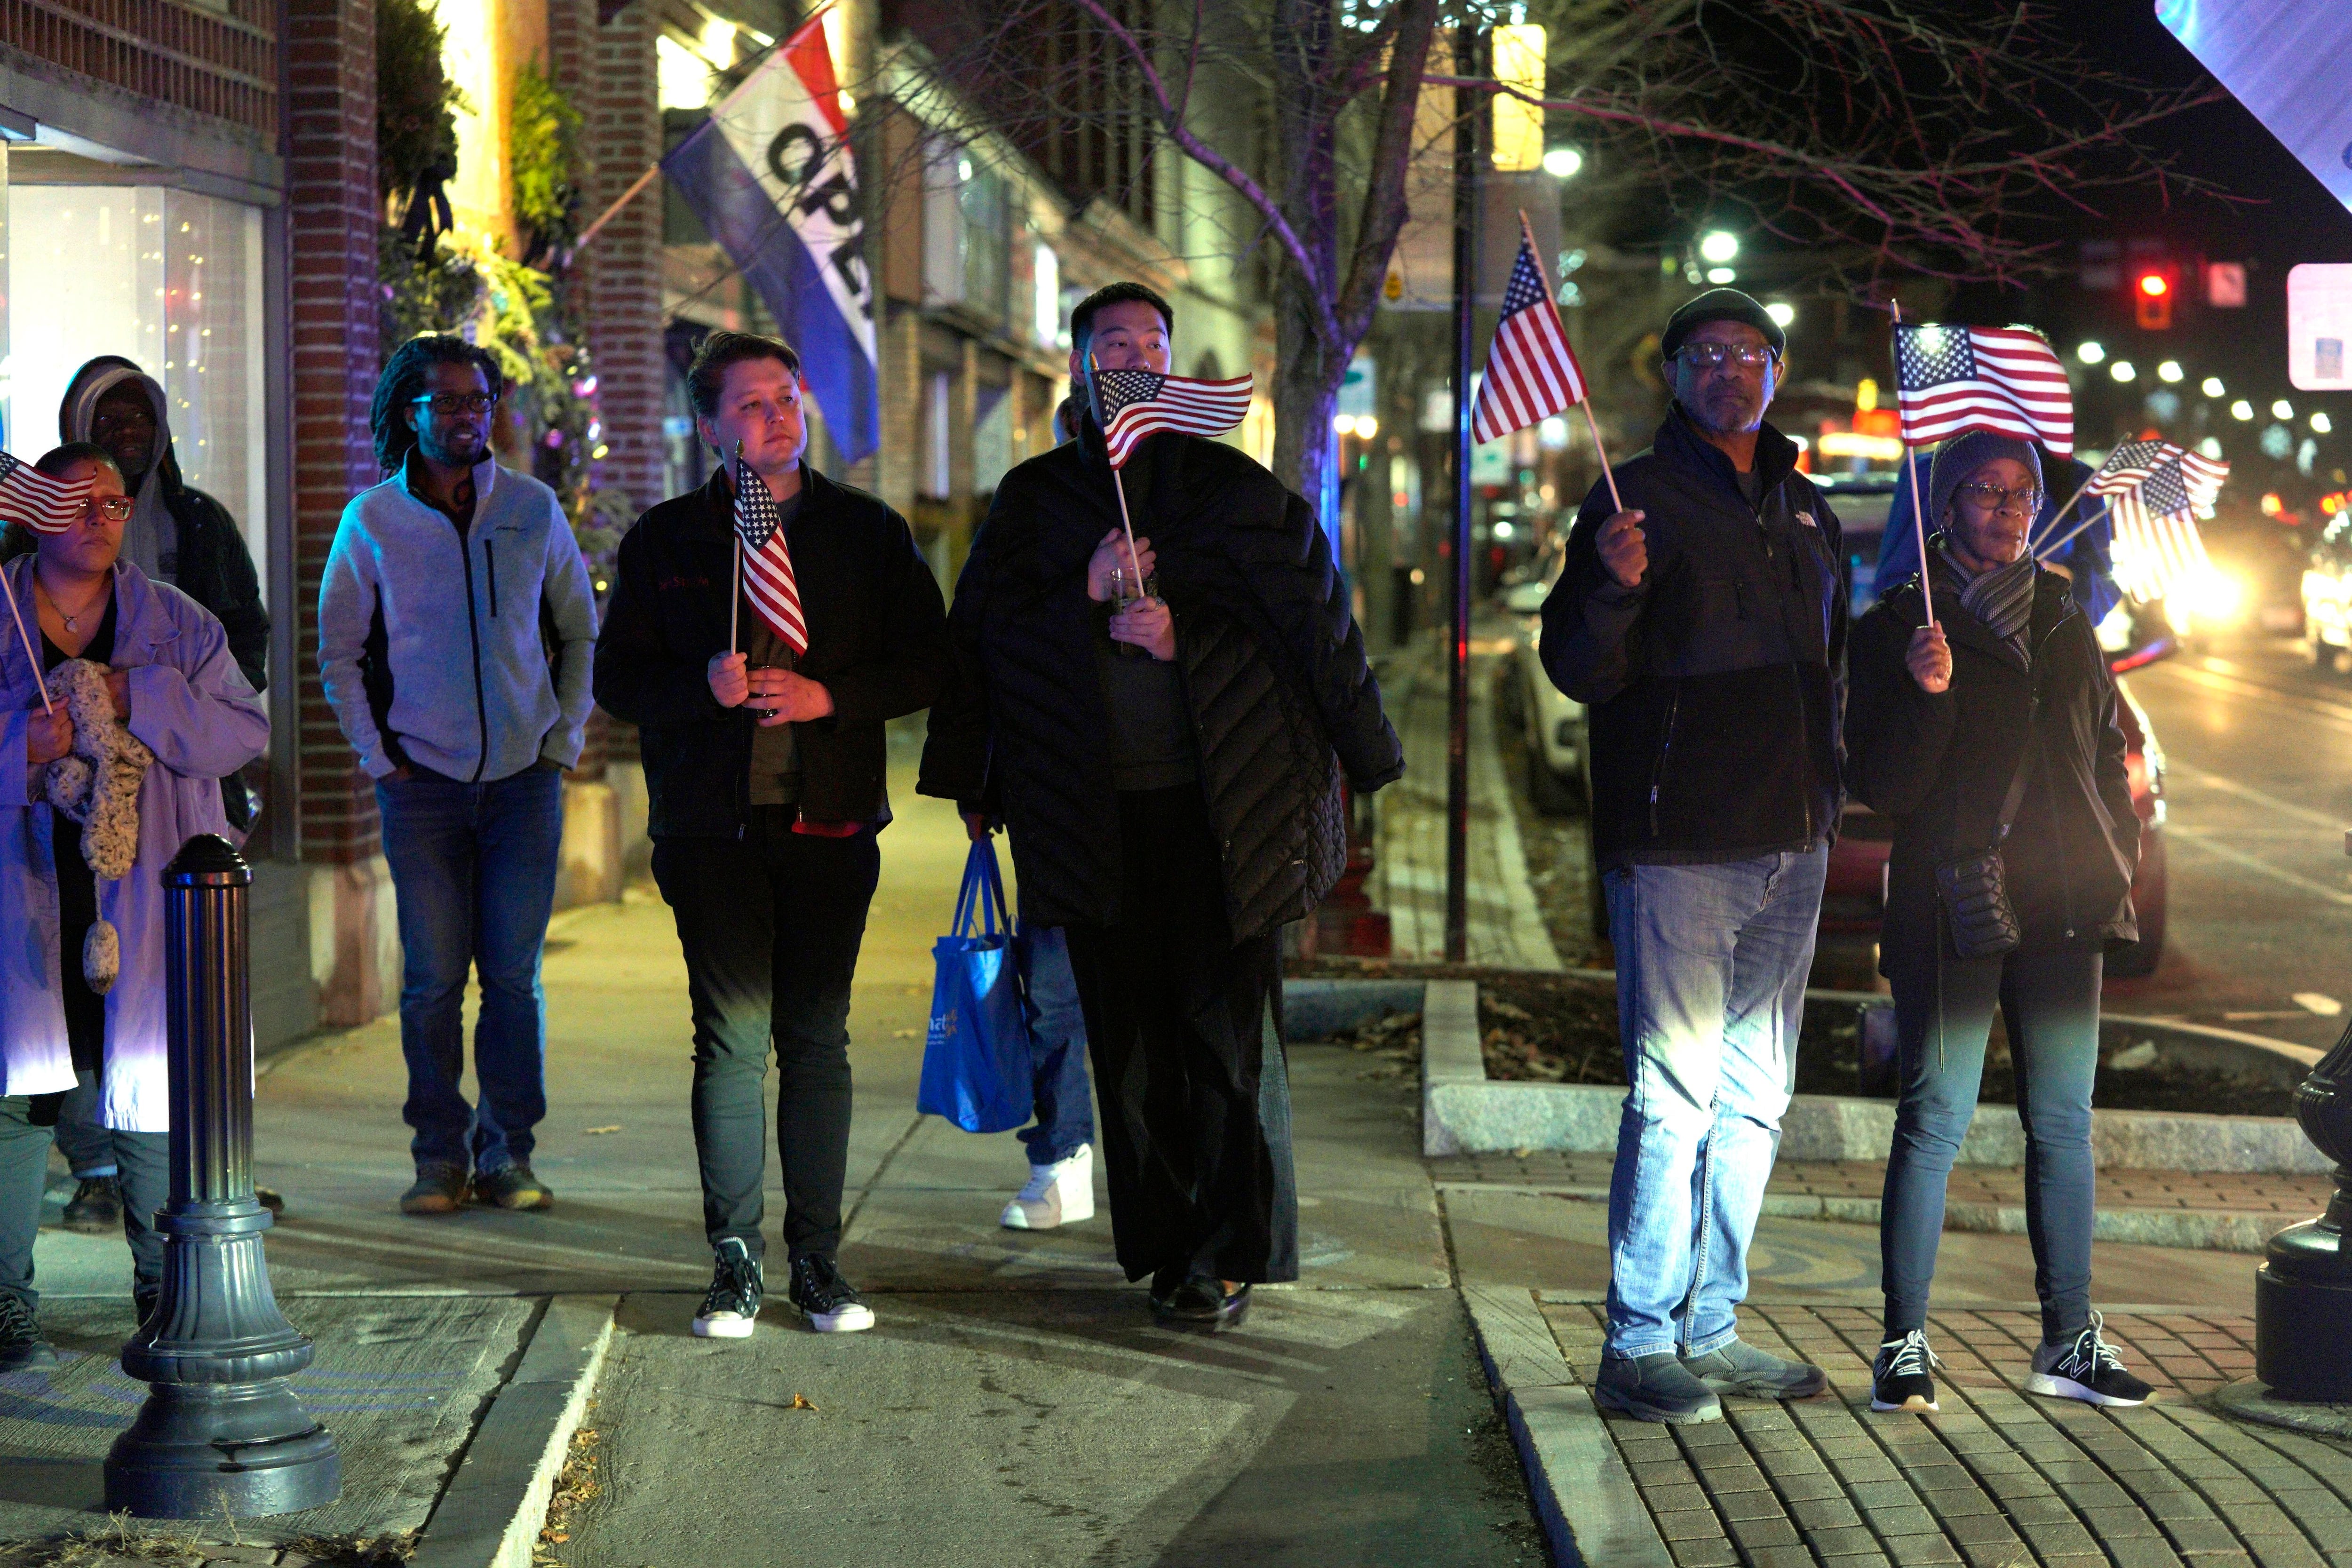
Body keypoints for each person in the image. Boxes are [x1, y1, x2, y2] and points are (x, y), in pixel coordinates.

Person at [920, 282, 1402, 1330]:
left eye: (1150, 341)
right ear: (1081, 364)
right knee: (1128, 1047)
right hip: (1089, 818)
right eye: (1110, 342)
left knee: (1221, 1041)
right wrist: (1083, 596)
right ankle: (1165, 1243)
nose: (1130, 356)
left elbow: (1313, 640)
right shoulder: (1037, 501)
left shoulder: (1239, 495)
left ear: (1174, 363)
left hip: (1227, 819)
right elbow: (980, 646)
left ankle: (1229, 1250)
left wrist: (1191, 640)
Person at [594, 330, 948, 1337]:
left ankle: (820, 1258)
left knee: (814, 1032)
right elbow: (617, 679)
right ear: (709, 426)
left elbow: (928, 662)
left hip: (830, 817)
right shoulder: (668, 539)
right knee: (732, 1038)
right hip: (709, 824)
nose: (776, 417)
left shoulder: (864, 530)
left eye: (787, 397)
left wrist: (830, 693)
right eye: (750, 404)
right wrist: (699, 685)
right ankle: (735, 1256)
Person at [1539, 288, 1845, 1423]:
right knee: (1671, 1098)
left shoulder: (1804, 510)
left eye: (1747, 351)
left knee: (1755, 1100)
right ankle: (1635, 1339)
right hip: (1679, 845)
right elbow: (1576, 668)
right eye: (1702, 354)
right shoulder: (1631, 502)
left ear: (1776, 367)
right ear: (1670, 375)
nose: (1727, 369)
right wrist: (1612, 587)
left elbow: (1832, 674)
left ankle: (1709, 1327)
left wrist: (1836, 792)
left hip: (1791, 842)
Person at [1845, 431, 2152, 1413]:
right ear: (1946, 504)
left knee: (2061, 1122)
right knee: (1934, 1118)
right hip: (1954, 900)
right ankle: (1903, 1340)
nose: (2008, 507)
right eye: (1985, 491)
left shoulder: (2064, 613)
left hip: (2065, 906)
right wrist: (1927, 693)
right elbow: (1884, 781)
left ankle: (2068, 1338)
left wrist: (2115, 850)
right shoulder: (1900, 622)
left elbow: (2106, 743)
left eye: (2022, 492)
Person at [0, 443, 269, 1369]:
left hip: (148, 889)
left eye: (115, 502)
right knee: (19, 1093)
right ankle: (4, 1300)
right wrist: (18, 742)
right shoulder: (0, 609)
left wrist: (137, 693)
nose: (102, 517)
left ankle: (168, 1285)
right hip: (23, 893)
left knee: (155, 1084)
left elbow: (243, 729)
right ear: (33, 510)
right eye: (76, 502)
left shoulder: (176, 620)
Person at [318, 335, 599, 1217]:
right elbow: (338, 652)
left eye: (480, 399)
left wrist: (564, 737)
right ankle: (438, 1154)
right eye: (450, 401)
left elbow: (580, 630)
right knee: (434, 980)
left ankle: (507, 1150)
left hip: (524, 782)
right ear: (412, 413)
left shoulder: (533, 507)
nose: (471, 414)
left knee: (512, 980)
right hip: (423, 787)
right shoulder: (374, 521)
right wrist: (379, 757)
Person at [41, 357, 275, 1234]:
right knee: (47, 1035)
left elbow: (241, 682)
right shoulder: (12, 593)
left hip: (169, 822)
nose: (131, 431)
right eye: (113, 416)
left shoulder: (196, 539)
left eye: (143, 415)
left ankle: (172, 1231)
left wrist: (152, 704)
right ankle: (86, 1168)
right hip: (45, 843)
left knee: (154, 1034)